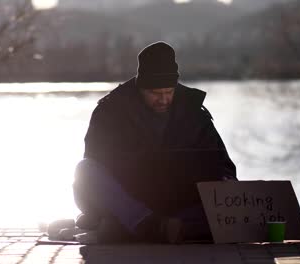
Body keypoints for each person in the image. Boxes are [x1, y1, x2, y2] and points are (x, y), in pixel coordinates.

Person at [73, 41, 237, 244]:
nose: (163, 99)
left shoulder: (194, 111)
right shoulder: (110, 110)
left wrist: (226, 180)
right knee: (85, 169)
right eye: (155, 93)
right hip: (128, 200)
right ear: (140, 87)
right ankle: (149, 225)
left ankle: (130, 228)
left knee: (227, 203)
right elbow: (95, 165)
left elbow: (223, 163)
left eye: (169, 92)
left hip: (181, 203)